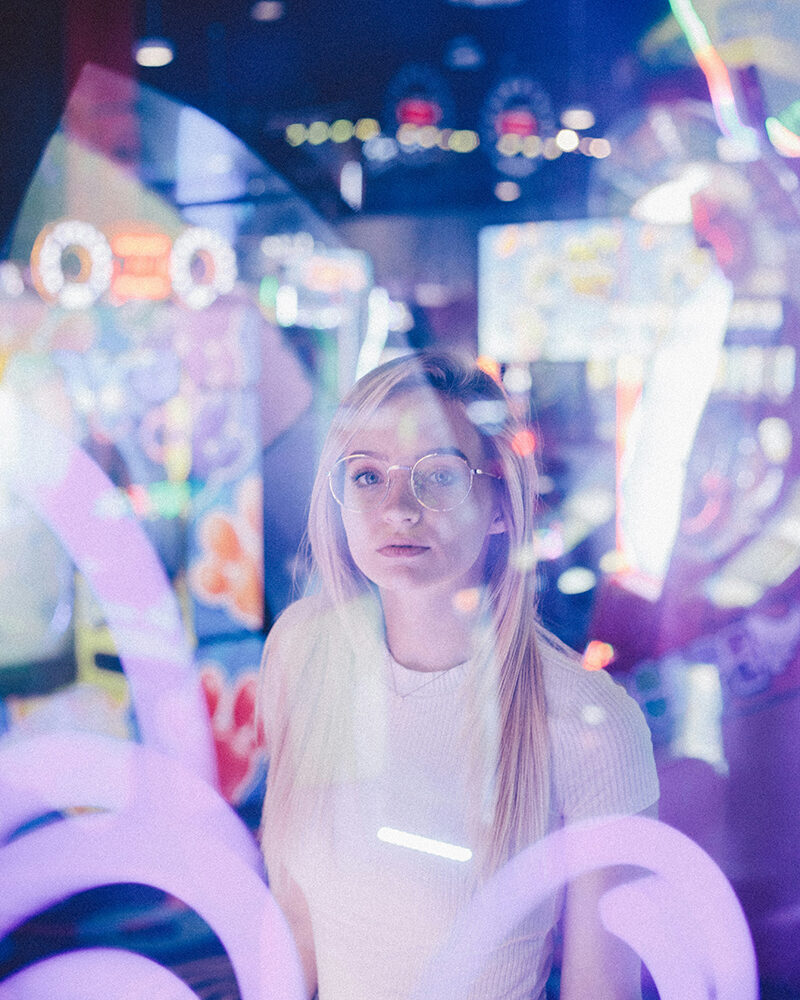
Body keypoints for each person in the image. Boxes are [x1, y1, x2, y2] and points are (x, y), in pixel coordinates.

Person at [258, 350, 659, 1000]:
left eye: (438, 475)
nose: (398, 508)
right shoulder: (304, 650)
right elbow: (297, 929)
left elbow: (601, 993)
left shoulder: (588, 725)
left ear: (502, 503)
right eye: (366, 477)